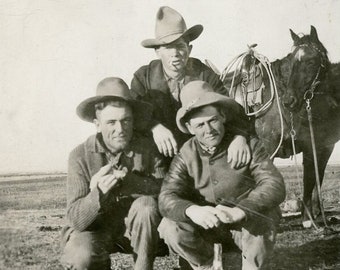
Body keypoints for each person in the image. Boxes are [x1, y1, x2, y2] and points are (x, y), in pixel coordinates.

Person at [158, 81, 286, 270]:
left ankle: (251, 265)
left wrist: (242, 210)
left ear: (223, 116)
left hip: (244, 230)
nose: (208, 130)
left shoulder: (248, 144)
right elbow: (166, 196)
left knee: (263, 214)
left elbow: (273, 183)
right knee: (169, 227)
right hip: (206, 232)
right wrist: (192, 210)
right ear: (190, 128)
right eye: (200, 125)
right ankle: (207, 264)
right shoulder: (185, 154)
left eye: (213, 120)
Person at [60, 77, 167, 270]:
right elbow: (76, 219)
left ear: (134, 121)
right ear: (97, 124)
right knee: (81, 256)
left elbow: (165, 194)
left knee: (146, 206)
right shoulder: (79, 155)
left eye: (126, 120)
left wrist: (132, 182)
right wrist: (97, 193)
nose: (120, 129)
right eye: (111, 122)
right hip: (94, 231)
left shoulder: (149, 149)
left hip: (137, 234)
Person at [131, 6, 250, 169]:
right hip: (157, 160)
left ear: (190, 49)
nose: (175, 53)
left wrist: (239, 137)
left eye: (180, 46)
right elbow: (131, 113)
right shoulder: (143, 78)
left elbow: (232, 109)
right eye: (168, 47)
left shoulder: (204, 74)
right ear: (157, 52)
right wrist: (154, 126)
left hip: (199, 158)